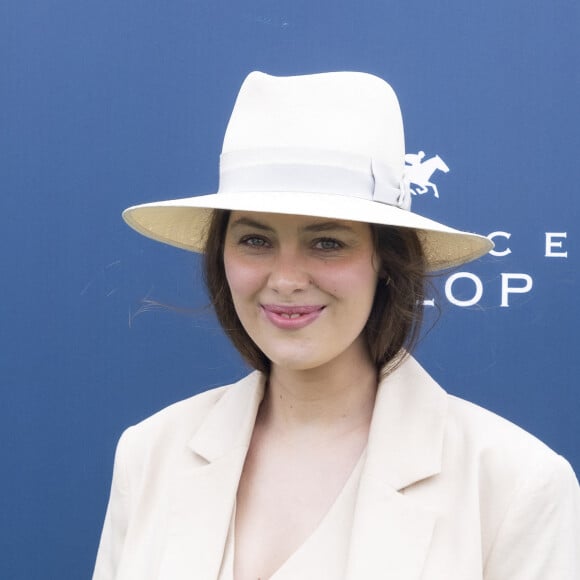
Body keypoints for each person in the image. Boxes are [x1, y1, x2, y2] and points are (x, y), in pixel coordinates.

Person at [93, 71, 580, 580]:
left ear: (387, 261)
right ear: (221, 258)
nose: (284, 279)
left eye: (327, 243)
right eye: (255, 241)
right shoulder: (150, 453)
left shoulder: (515, 482)